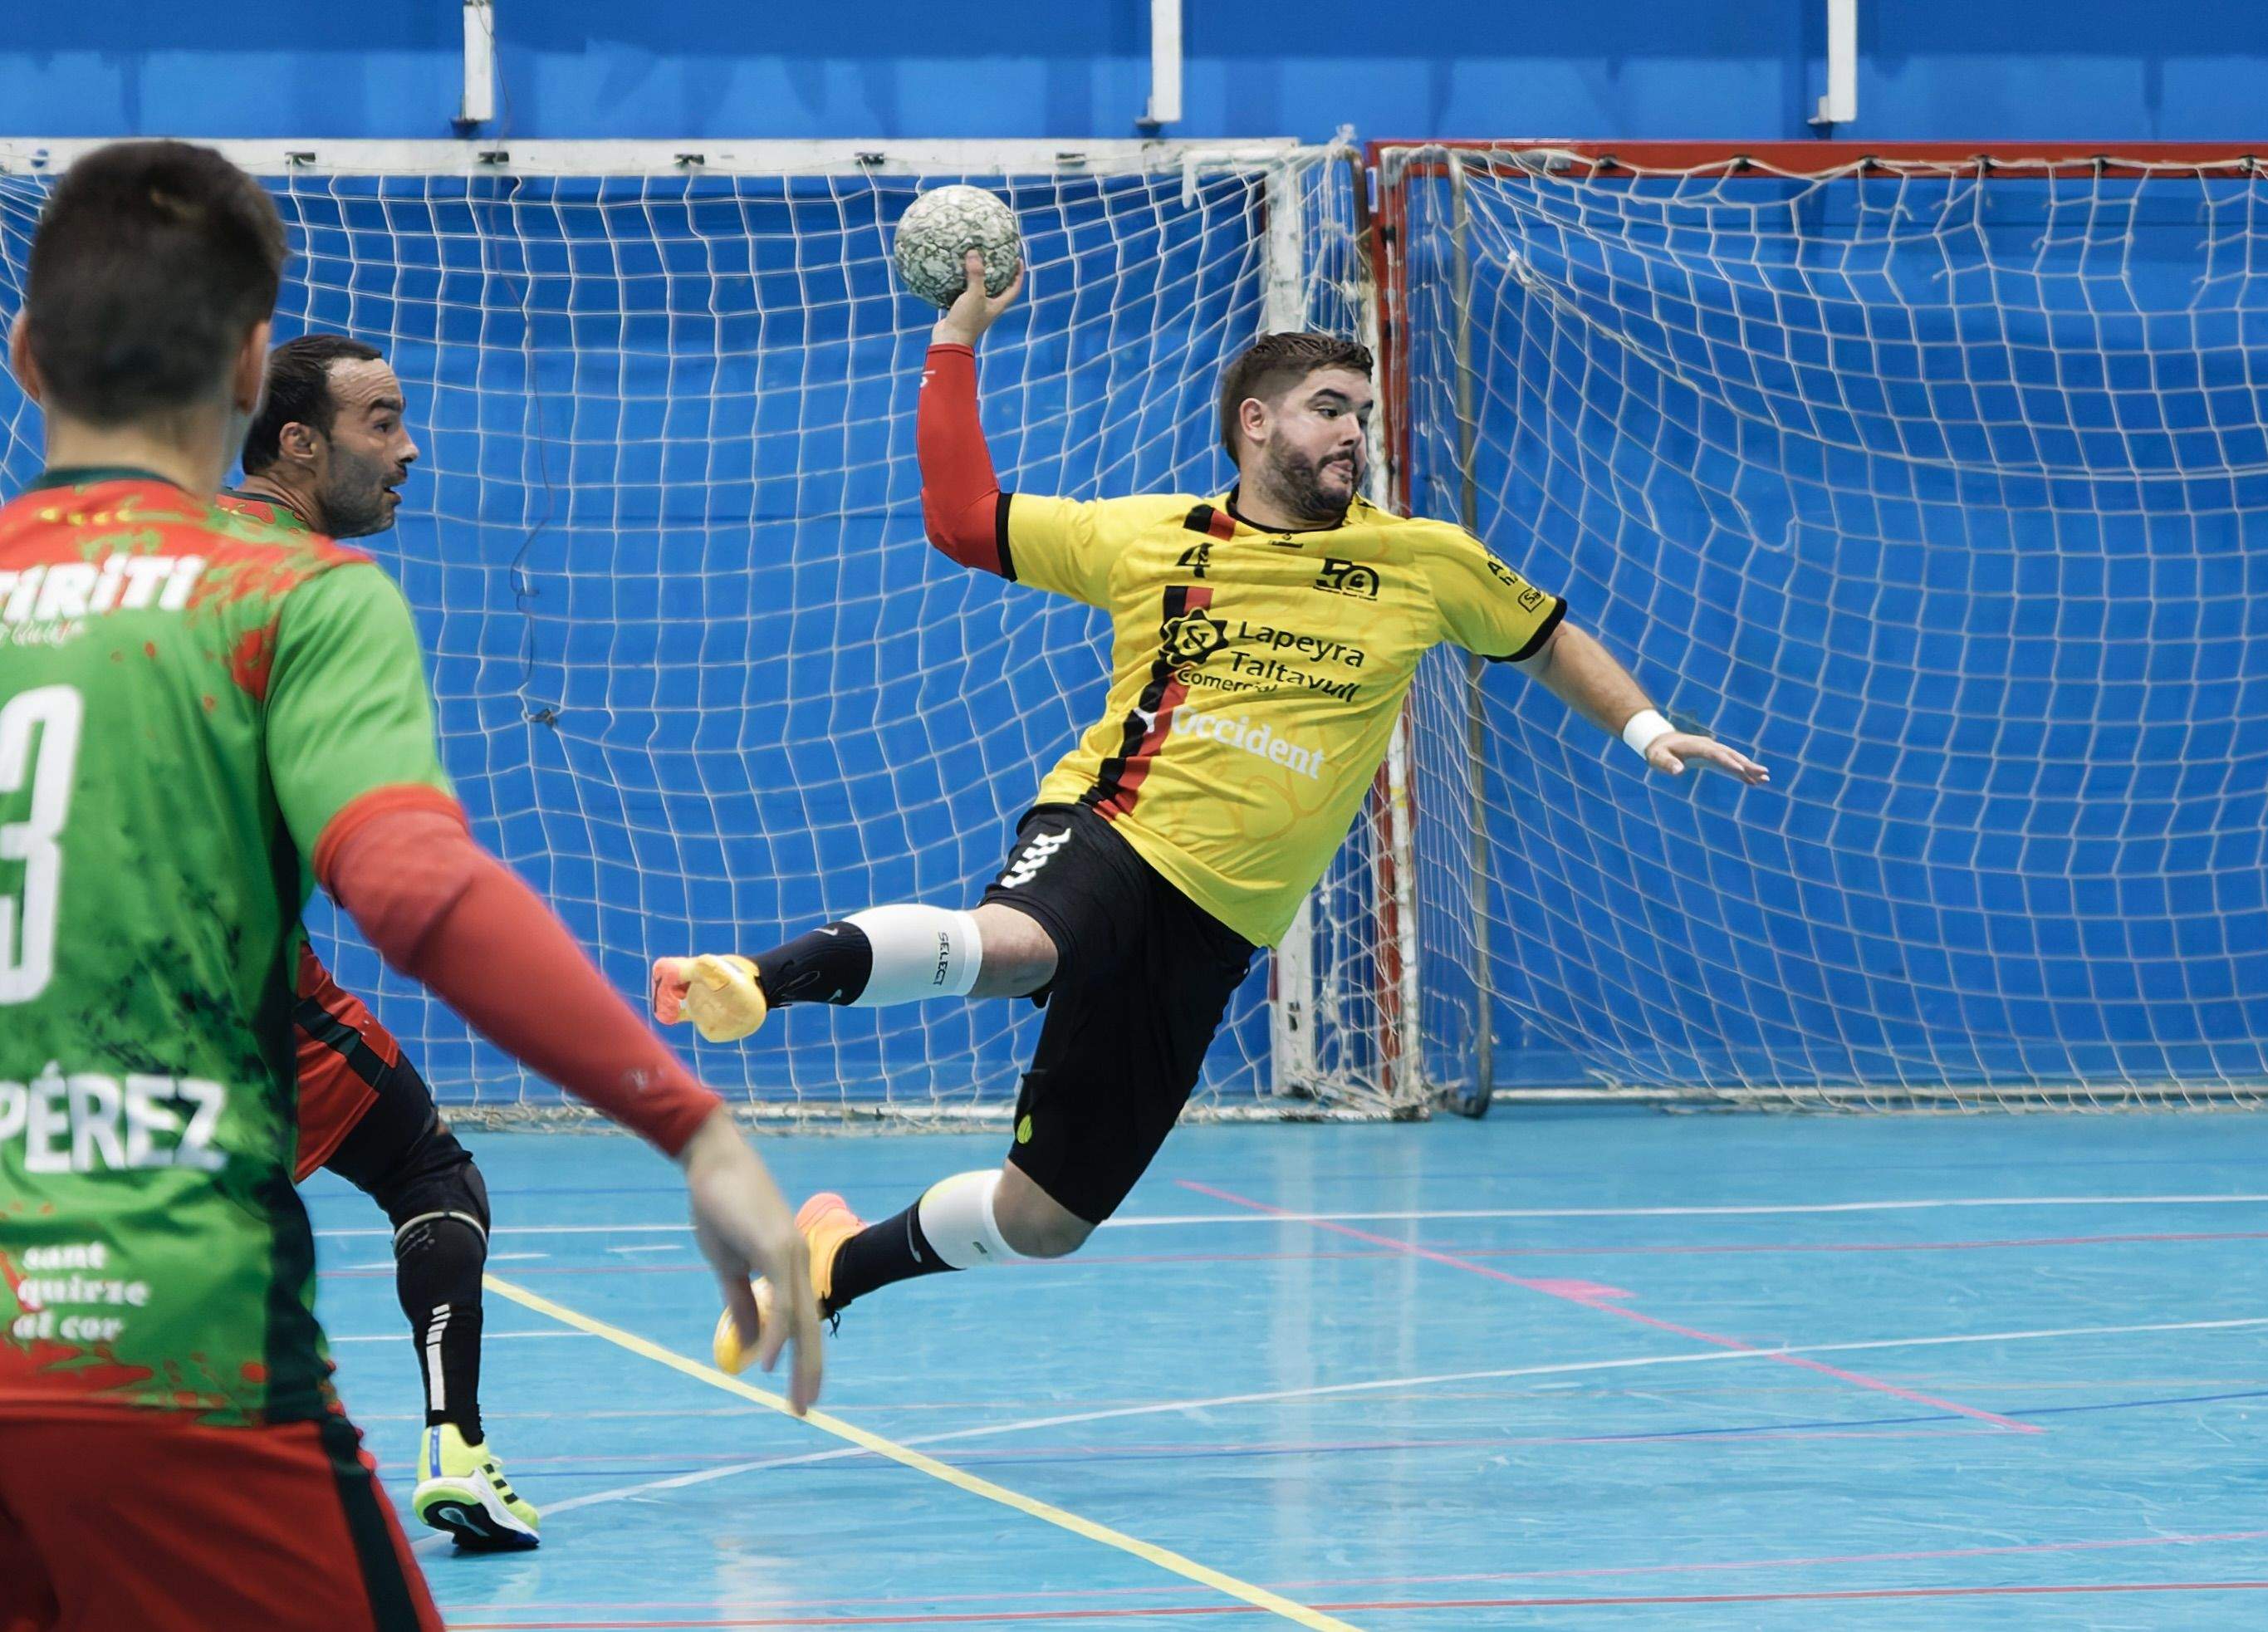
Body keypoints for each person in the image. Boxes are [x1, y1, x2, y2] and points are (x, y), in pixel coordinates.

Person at [652, 250, 1767, 1366]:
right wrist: (956, 344)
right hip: (1115, 831)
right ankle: (760, 977)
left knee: (1044, 1222)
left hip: (1220, 926)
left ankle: (830, 1263)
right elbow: (961, 520)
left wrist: (1647, 726)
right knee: (1022, 944)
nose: (1353, 434)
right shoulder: (1151, 537)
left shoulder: (1424, 561)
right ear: (1254, 423)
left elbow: (1548, 635)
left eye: (1364, 415)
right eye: (1329, 409)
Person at [0, 140, 820, 1632]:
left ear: (25, 352)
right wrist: (689, 1122)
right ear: (258, 374)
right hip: (162, 1340)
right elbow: (414, 884)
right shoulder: (295, 593)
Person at [216, 331, 531, 1549]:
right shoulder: (324, 596)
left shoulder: (171, 560)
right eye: (382, 422)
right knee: (429, 1173)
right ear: (299, 443)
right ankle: (455, 1448)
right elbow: (389, 868)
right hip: (229, 993)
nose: (410, 448)